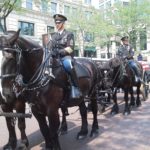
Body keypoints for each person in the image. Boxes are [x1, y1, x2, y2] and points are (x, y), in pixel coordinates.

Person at [46, 14, 82, 99]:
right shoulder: (53, 36)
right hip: (55, 57)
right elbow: (49, 47)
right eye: (56, 23)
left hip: (66, 57)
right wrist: (49, 50)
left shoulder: (69, 34)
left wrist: (59, 52)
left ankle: (75, 88)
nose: (57, 25)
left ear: (63, 23)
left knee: (68, 65)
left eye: (59, 23)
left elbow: (70, 48)